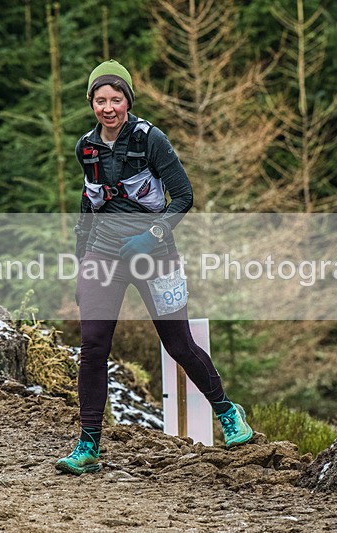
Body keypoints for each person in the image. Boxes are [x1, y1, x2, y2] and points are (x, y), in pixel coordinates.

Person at [55, 60, 253, 475]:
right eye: (100, 100)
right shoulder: (86, 147)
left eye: (116, 99)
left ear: (128, 100)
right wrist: (81, 264)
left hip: (154, 252)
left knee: (177, 343)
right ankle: (88, 443)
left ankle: (227, 412)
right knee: (93, 346)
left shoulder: (151, 140)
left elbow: (183, 197)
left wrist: (152, 236)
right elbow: (86, 207)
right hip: (103, 254)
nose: (108, 107)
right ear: (91, 102)